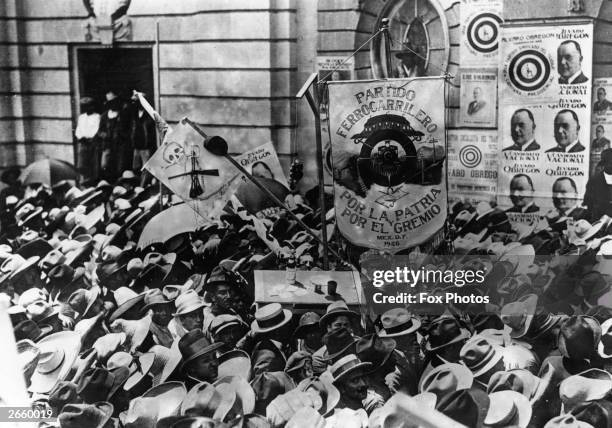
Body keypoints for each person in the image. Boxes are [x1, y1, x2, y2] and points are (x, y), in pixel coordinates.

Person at [97, 91, 129, 181]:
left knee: (120, 167)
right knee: (105, 165)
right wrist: (105, 135)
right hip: (107, 145)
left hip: (120, 146)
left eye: (115, 102)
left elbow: (128, 129)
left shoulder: (122, 114)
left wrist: (120, 135)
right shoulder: (104, 116)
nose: (113, 104)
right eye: (110, 103)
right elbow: (100, 131)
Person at [129, 91, 156, 186]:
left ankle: (143, 187)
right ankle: (137, 186)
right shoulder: (134, 114)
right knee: (136, 167)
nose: (134, 104)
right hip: (137, 146)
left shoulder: (149, 114)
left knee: (146, 169)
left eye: (136, 102)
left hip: (146, 146)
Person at [74, 97, 101, 181]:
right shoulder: (81, 117)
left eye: (88, 106)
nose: (86, 108)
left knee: (93, 165)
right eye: (84, 106)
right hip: (83, 143)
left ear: (92, 106)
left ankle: (92, 181)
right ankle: (85, 180)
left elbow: (96, 129)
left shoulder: (97, 117)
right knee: (82, 165)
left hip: (92, 143)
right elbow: (78, 130)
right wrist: (80, 137)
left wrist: (91, 138)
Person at [584, 148, 612, 219]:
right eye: (610, 163)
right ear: (604, 164)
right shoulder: (594, 181)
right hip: (598, 219)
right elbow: (588, 201)